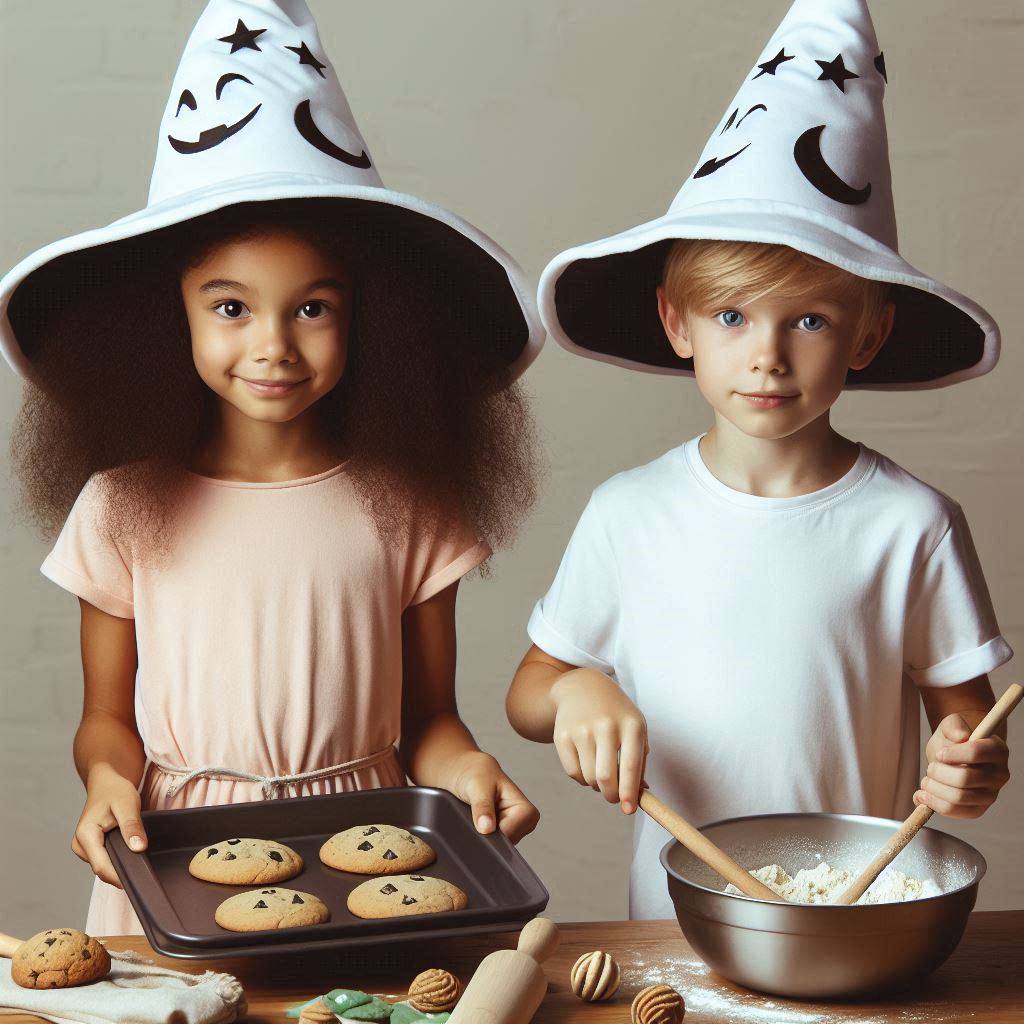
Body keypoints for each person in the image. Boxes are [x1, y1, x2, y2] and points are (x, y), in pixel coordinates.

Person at [0, 0, 544, 934]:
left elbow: (432, 724)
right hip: (171, 862)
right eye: (230, 307)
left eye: (313, 308)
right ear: (165, 316)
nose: (273, 346)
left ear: (370, 317)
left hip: (359, 855)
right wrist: (103, 782)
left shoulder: (407, 503)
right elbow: (108, 720)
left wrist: (469, 774)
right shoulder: (122, 506)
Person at [507, 0, 1012, 919]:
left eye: (809, 320)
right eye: (732, 316)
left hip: (852, 914)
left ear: (870, 333)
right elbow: (528, 694)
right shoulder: (630, 513)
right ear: (677, 323)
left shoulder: (912, 525)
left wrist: (967, 771)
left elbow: (969, 733)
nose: (767, 356)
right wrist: (577, 690)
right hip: (676, 926)